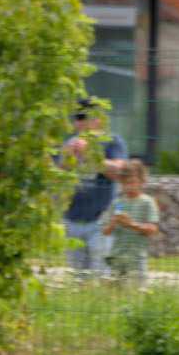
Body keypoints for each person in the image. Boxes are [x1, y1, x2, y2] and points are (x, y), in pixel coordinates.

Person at [62, 102, 129, 273]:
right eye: (78, 117)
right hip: (72, 220)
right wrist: (65, 160)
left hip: (101, 221)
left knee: (103, 275)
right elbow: (57, 176)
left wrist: (90, 154)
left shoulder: (112, 141)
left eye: (86, 117)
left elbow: (120, 172)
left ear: (98, 118)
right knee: (78, 277)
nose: (81, 122)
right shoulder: (69, 144)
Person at [104, 160, 159, 281]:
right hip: (117, 257)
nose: (128, 186)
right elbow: (105, 231)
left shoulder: (147, 202)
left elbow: (153, 229)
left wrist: (131, 225)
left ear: (141, 180)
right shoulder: (118, 203)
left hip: (137, 259)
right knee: (115, 290)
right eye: (124, 183)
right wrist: (113, 222)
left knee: (137, 290)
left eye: (132, 182)